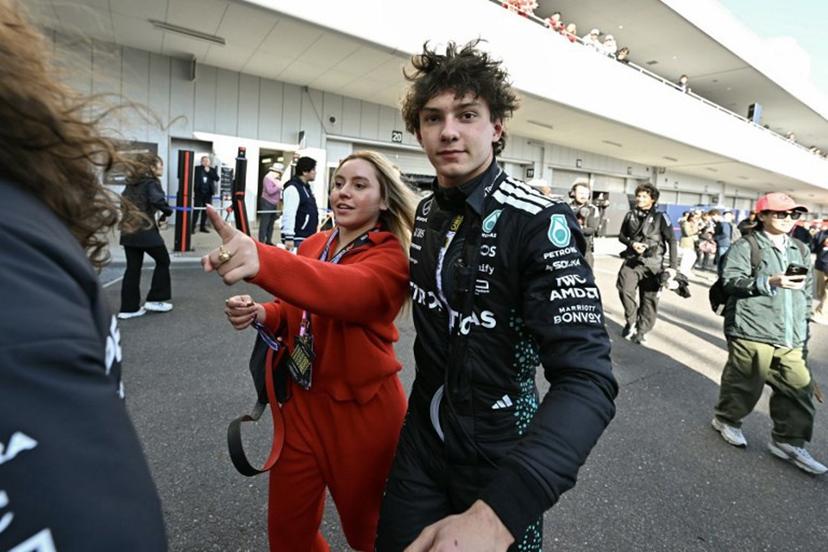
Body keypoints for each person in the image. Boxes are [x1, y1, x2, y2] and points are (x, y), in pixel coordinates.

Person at [375, 40, 617, 552]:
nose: (449, 131)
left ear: (496, 126)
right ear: (418, 130)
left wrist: (498, 515)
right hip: (421, 444)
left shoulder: (538, 222)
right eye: (432, 117)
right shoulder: (424, 215)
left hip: (500, 457)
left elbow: (588, 379)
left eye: (467, 114)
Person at [0, 2, 166, 549]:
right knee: (156, 263)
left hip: (126, 244)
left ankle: (139, 304)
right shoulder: (30, 229)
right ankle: (147, 304)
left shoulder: (17, 243)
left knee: (146, 267)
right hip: (136, 242)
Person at [203, 150, 418, 551]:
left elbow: (342, 291)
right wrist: (262, 313)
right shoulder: (317, 242)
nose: (344, 193)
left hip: (363, 414)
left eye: (359, 185)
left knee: (368, 534)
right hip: (300, 404)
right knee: (288, 534)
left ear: (384, 200)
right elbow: (298, 310)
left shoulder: (391, 258)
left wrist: (263, 257)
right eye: (339, 184)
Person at [711, 193, 825, 475]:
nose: (788, 220)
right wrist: (769, 281)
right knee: (745, 383)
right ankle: (727, 420)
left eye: (793, 215)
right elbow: (731, 281)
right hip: (752, 327)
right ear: (762, 216)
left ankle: (788, 441)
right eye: (780, 214)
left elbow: (803, 294)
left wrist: (802, 334)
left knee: (799, 388)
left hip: (790, 334)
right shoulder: (746, 245)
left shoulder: (799, 247)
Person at [616, 183, 677, 345]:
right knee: (624, 289)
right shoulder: (630, 215)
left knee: (649, 300)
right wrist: (631, 244)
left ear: (653, 199)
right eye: (638, 196)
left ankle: (642, 331)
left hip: (654, 264)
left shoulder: (661, 217)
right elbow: (621, 236)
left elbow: (672, 240)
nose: (639, 199)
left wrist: (673, 266)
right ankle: (632, 321)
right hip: (632, 261)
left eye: (644, 196)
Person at [118, 154, 174, 318]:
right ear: (151, 167)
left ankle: (128, 309)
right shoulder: (151, 183)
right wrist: (167, 211)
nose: (162, 168)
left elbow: (123, 204)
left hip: (128, 230)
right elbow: (157, 200)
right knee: (163, 260)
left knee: (133, 268)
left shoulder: (131, 183)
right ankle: (155, 300)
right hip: (145, 231)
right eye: (159, 165)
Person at [281, 156, 319, 251]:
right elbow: (289, 213)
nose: (315, 172)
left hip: (306, 237)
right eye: (313, 169)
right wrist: (289, 237)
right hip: (297, 238)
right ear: (305, 172)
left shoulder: (305, 187)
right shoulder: (293, 188)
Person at [567, 180, 600, 267]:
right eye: (581, 193)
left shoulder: (593, 209)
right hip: (568, 249)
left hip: (586, 250)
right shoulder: (566, 207)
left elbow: (592, 229)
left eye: (586, 193)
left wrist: (578, 229)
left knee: (588, 278)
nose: (583, 196)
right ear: (573, 193)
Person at [259, 162, 284, 245]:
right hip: (267, 202)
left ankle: (268, 241)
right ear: (275, 171)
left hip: (274, 204)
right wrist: (278, 186)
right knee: (264, 223)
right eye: (279, 172)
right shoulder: (268, 178)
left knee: (271, 224)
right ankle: (261, 241)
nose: (280, 174)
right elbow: (270, 191)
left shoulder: (277, 179)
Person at [193, 155, 219, 233]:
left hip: (208, 193)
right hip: (199, 193)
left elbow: (217, 178)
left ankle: (202, 227)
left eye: (207, 161)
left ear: (209, 162)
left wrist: (209, 172)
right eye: (204, 161)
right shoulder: (197, 169)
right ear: (201, 162)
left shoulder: (212, 170)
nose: (206, 162)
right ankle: (192, 227)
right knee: (196, 211)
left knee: (205, 211)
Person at [810, 224, 828, 325]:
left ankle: (820, 314)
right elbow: (813, 248)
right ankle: (821, 311)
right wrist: (822, 245)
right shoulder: (821, 234)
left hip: (821, 265)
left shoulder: (821, 233)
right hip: (821, 266)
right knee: (821, 293)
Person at [678, 211, 700, 277]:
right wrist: (696, 229)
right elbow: (687, 233)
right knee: (686, 257)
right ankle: (683, 271)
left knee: (693, 256)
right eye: (695, 218)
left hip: (691, 242)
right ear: (691, 217)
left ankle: (687, 270)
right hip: (686, 242)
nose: (696, 219)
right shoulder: (686, 223)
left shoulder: (691, 224)